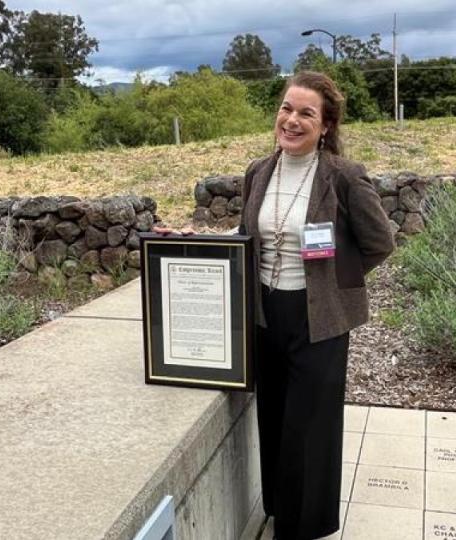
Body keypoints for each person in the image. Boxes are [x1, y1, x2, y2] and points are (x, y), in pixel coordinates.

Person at [157, 71, 394, 539]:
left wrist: (333, 284)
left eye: (307, 113)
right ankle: (280, 510)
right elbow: (249, 236)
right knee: (274, 417)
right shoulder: (258, 172)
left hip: (318, 321)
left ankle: (304, 526)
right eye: (287, 108)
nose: (292, 119)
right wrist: (195, 240)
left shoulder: (343, 177)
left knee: (309, 427)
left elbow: (380, 241)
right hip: (266, 315)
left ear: (326, 125)